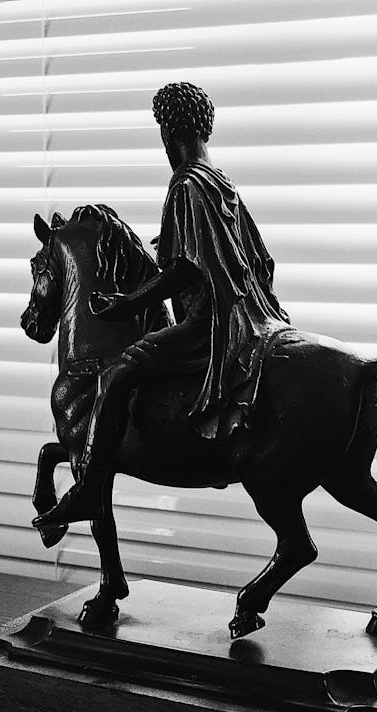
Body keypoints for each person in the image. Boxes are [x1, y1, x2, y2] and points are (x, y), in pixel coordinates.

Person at [32, 81, 291, 528]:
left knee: (116, 374)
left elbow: (185, 271)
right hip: (248, 318)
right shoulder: (220, 182)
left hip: (208, 324)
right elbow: (261, 260)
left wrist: (124, 303)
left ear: (169, 130)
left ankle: (90, 490)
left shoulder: (186, 185)